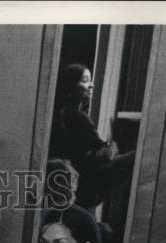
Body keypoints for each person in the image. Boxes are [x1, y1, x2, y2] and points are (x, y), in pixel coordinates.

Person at [48, 63, 135, 210]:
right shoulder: (77, 117)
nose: (91, 85)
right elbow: (105, 155)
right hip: (86, 182)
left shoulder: (57, 115)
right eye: (85, 80)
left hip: (72, 183)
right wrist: (112, 145)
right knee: (136, 158)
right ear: (71, 86)